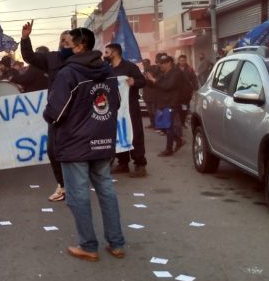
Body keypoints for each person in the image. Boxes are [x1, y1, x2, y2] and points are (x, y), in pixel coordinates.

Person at [44, 27, 125, 262]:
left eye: (67, 43)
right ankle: (116, 243)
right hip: (102, 140)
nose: (63, 47)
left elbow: (55, 112)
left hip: (75, 144)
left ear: (79, 47)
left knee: (78, 195)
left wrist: (50, 116)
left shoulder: (68, 73)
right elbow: (116, 102)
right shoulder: (108, 71)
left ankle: (88, 246)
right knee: (106, 190)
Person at [20, 23, 73, 202]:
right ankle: (62, 185)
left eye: (68, 40)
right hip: (56, 113)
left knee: (76, 151)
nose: (64, 43)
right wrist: (25, 38)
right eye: (62, 40)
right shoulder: (51, 58)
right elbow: (29, 57)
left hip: (76, 113)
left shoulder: (81, 60)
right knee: (53, 150)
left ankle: (77, 184)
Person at [104, 43, 147, 178]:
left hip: (130, 108)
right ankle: (123, 163)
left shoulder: (129, 67)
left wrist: (134, 82)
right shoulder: (107, 69)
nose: (105, 55)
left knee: (134, 134)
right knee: (118, 134)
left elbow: (143, 81)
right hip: (115, 109)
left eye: (107, 52)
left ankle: (140, 164)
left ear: (115, 52)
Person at [146, 55, 184, 156]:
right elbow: (154, 85)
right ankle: (179, 140)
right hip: (162, 103)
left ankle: (169, 149)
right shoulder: (162, 73)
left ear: (169, 63)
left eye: (162, 63)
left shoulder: (175, 73)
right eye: (159, 63)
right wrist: (148, 79)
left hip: (171, 103)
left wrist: (154, 80)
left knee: (168, 126)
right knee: (162, 126)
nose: (160, 65)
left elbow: (167, 86)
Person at [177, 54, 198, 128]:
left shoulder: (189, 69)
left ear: (186, 61)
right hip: (177, 93)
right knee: (178, 108)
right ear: (178, 61)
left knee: (185, 108)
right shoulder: (175, 68)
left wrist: (196, 89)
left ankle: (183, 122)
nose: (182, 62)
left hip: (186, 93)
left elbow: (194, 79)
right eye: (181, 60)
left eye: (183, 60)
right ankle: (178, 123)